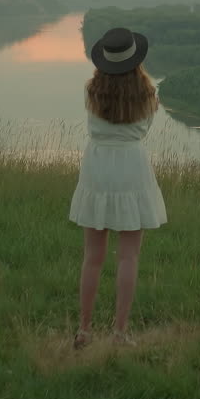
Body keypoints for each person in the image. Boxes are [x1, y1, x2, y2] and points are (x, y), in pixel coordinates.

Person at [69, 25, 167, 349]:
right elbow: (143, 131)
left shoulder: (90, 90)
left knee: (92, 256)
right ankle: (120, 333)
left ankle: (84, 330)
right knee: (129, 256)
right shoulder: (149, 94)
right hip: (131, 166)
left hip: (98, 166)